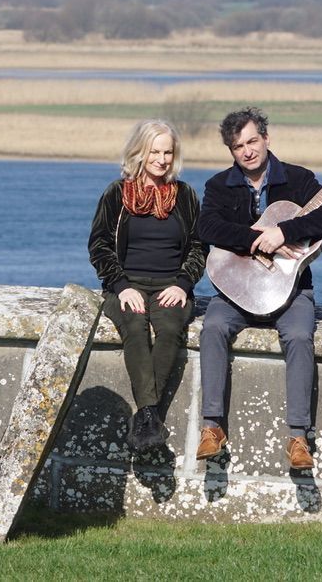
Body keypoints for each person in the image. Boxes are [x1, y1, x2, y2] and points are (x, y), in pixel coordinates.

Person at [195, 107, 322, 469]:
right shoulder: (219, 185)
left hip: (291, 291)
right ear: (231, 151)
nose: (247, 151)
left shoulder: (298, 179)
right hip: (235, 290)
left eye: (252, 141)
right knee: (212, 327)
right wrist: (254, 238)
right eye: (238, 146)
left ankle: (298, 437)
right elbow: (206, 228)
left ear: (266, 138)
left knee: (299, 336)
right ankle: (212, 428)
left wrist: (283, 232)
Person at [89, 119, 206, 453]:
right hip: (126, 284)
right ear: (139, 152)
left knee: (169, 328)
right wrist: (122, 286)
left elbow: (199, 247)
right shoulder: (116, 193)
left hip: (172, 285)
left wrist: (183, 284)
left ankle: (144, 417)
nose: (162, 159)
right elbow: (99, 245)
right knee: (135, 325)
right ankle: (150, 416)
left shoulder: (185, 195)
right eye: (155, 151)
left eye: (168, 152)